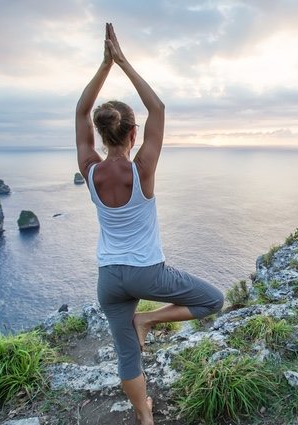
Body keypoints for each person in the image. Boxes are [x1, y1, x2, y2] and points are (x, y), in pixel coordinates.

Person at [75, 23, 224, 425]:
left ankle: (144, 416)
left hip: (109, 278)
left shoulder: (89, 170)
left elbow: (80, 112)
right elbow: (158, 108)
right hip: (147, 273)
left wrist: (103, 67)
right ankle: (149, 319)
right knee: (213, 299)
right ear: (133, 133)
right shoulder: (143, 168)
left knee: (127, 354)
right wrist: (121, 61)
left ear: (103, 135)